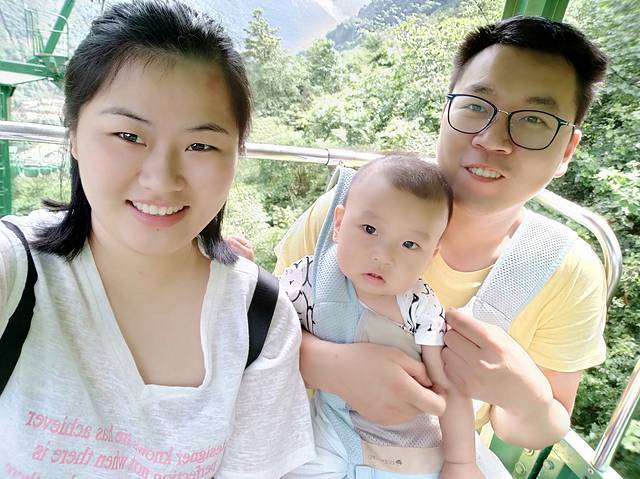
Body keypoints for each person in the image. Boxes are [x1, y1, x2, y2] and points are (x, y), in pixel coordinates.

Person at [274, 14, 609, 468]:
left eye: (534, 120)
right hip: (315, 446)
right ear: (445, 112)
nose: (493, 140)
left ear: (567, 150)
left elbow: (539, 426)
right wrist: (330, 365)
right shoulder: (353, 213)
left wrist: (523, 396)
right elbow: (261, 327)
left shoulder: (567, 270)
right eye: (476, 106)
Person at [0, 1, 314, 477]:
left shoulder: (259, 315)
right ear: (74, 135)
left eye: (200, 145)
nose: (162, 180)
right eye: (128, 136)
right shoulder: (17, 270)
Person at [280, 155, 490, 478]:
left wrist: (461, 462)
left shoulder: (420, 306)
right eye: (370, 229)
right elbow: (266, 324)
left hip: (405, 446)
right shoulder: (311, 278)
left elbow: (448, 387)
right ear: (339, 224)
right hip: (332, 428)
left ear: (431, 255)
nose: (384, 255)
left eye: (409, 244)